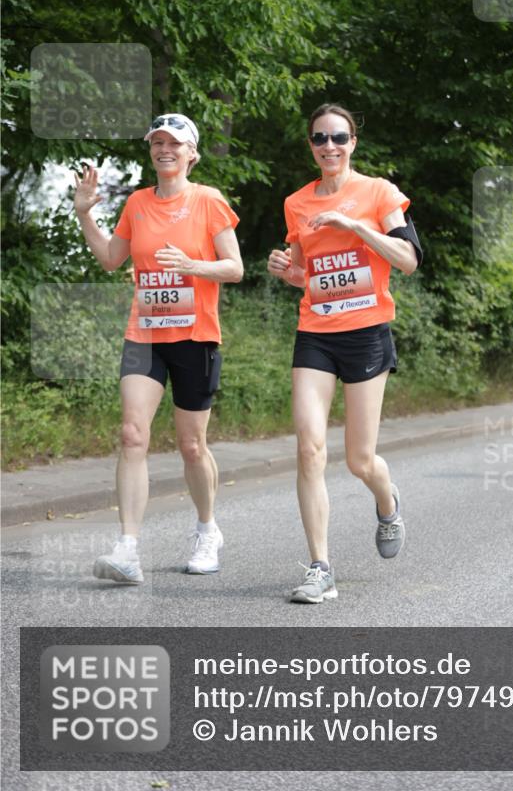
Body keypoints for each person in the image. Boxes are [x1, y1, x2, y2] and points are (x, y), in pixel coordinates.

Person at [74, 113, 243, 582]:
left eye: (174, 143)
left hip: (195, 337)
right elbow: (112, 259)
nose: (164, 150)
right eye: (157, 143)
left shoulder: (208, 200)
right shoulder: (138, 203)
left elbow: (234, 268)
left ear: (192, 153)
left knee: (191, 445)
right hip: (145, 334)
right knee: (132, 434)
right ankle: (128, 548)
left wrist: (192, 265)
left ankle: (207, 530)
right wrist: (85, 214)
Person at [268, 104, 422, 603]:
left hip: (366, 334)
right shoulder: (296, 203)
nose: (329, 146)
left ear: (353, 142)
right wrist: (286, 270)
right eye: (320, 138)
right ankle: (320, 567)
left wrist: (355, 226)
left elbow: (409, 260)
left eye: (338, 137)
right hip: (315, 333)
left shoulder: (379, 193)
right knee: (309, 447)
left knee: (359, 460)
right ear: (311, 145)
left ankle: (387, 499)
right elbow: (306, 274)